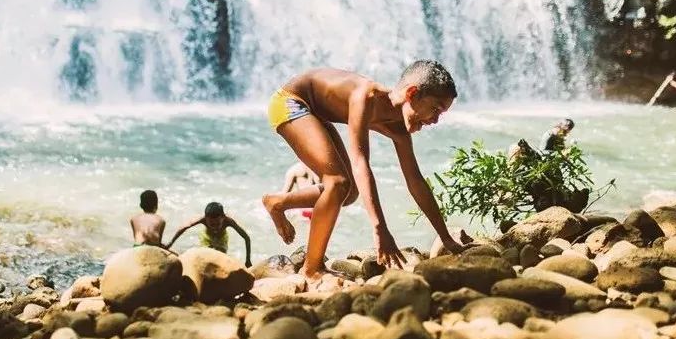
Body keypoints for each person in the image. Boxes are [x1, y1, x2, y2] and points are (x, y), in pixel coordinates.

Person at [261, 62, 466, 282]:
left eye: (441, 114)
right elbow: (360, 162)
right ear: (412, 93)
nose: (435, 120)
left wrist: (445, 238)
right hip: (290, 102)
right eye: (435, 109)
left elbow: (415, 181)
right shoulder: (366, 97)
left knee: (348, 194)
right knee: (338, 183)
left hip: (316, 113)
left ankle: (278, 202)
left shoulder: (399, 130)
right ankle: (312, 269)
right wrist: (380, 229)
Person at [166, 202, 252, 267]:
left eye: (218, 224)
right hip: (206, 237)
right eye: (211, 224)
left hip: (222, 238)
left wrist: (248, 260)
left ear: (223, 217)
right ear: (206, 218)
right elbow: (184, 227)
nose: (215, 227)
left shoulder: (229, 221)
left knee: (221, 259)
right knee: (206, 257)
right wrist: (170, 243)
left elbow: (246, 238)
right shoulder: (201, 219)